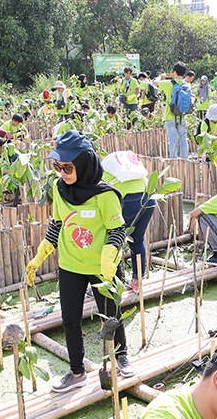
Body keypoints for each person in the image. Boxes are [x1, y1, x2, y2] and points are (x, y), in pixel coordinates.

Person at [24, 131, 134, 393]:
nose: (62, 172)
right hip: (71, 265)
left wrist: (109, 256)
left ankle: (121, 356)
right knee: (69, 319)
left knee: (110, 316)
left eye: (68, 167)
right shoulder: (59, 189)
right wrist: (41, 254)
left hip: (103, 267)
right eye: (57, 166)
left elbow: (118, 230)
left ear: (84, 163)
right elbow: (58, 224)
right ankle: (76, 372)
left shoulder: (105, 195)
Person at [101, 150, 156, 292]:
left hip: (130, 200)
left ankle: (111, 284)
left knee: (113, 239)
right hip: (149, 198)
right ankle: (137, 282)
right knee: (137, 240)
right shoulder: (128, 167)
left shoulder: (101, 171)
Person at [156, 62, 192, 160]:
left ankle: (174, 162)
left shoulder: (168, 83)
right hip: (182, 115)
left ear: (174, 72)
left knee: (172, 141)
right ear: (184, 73)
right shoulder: (187, 85)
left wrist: (161, 76)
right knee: (183, 140)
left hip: (170, 115)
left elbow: (155, 82)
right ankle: (185, 161)